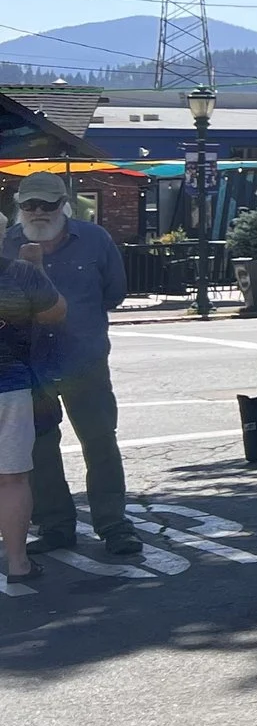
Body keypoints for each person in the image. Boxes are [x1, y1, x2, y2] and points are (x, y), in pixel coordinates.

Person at [1, 170, 137, 558]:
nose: (38, 211)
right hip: (30, 366)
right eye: (30, 205)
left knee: (100, 442)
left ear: (65, 205)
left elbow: (115, 293)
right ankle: (56, 525)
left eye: (47, 204)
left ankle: (113, 524)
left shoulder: (94, 239)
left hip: (85, 362)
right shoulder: (7, 244)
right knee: (40, 449)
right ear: (19, 206)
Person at [0, 249, 67, 584]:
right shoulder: (21, 272)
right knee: (12, 479)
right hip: (10, 385)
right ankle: (17, 564)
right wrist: (38, 269)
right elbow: (55, 312)